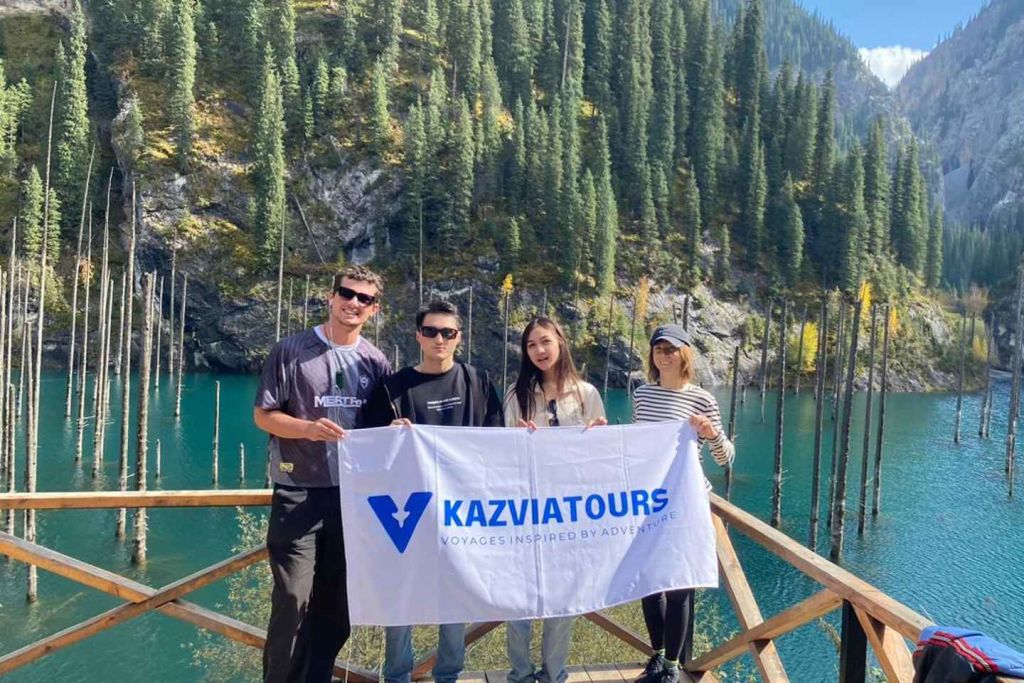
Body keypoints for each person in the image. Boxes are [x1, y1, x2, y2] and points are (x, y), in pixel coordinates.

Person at [254, 265, 391, 683]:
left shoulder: (376, 361)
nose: (353, 303)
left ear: (374, 309)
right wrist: (307, 429)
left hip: (353, 499)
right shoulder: (291, 350)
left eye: (364, 299)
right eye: (347, 294)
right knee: (292, 599)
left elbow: (382, 426)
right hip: (298, 491)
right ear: (331, 297)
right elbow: (264, 415)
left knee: (338, 605)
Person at [362, 299, 504, 683]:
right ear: (418, 336)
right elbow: (366, 444)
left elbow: (498, 442)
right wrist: (388, 435)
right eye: (431, 331)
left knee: (456, 596)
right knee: (401, 596)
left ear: (459, 337)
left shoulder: (478, 381)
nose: (439, 339)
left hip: (461, 510)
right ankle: (396, 676)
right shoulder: (393, 387)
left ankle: (449, 675)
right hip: (407, 510)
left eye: (447, 332)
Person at [503, 317, 607, 683]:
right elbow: (503, 457)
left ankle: (554, 674)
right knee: (518, 601)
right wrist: (516, 440)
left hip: (570, 513)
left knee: (562, 602)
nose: (539, 351)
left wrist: (598, 438)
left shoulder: (587, 394)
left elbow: (602, 458)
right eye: (531, 345)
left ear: (560, 342)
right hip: (526, 511)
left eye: (545, 342)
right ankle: (519, 674)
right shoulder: (515, 395)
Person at [632, 324, 735, 683]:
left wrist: (711, 433)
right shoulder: (642, 395)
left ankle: (673, 666)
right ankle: (658, 655)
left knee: (679, 586)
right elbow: (638, 447)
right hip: (649, 502)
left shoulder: (703, 400)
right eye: (658, 348)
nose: (664, 355)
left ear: (684, 354)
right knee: (649, 584)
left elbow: (726, 458)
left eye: (671, 349)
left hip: (687, 502)